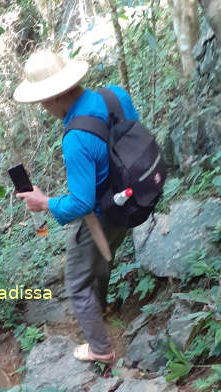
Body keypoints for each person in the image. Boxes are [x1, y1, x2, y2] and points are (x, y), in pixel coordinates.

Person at [13, 49, 140, 363]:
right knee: (102, 257)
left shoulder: (75, 140)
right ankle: (103, 305)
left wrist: (45, 202)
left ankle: (100, 349)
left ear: (55, 96)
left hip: (100, 215)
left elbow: (81, 203)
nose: (42, 108)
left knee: (76, 282)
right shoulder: (115, 96)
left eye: (42, 101)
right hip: (130, 198)